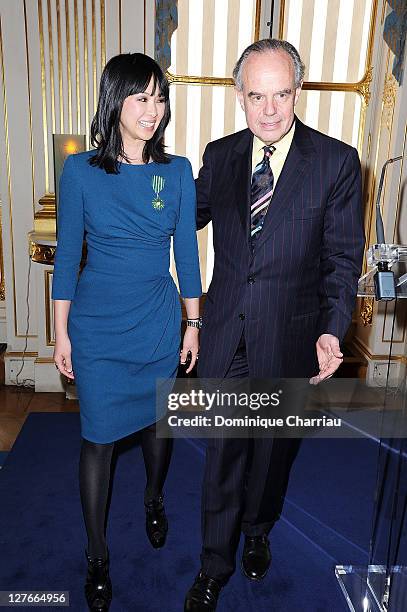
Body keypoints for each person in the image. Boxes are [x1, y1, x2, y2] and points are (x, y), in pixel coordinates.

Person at [184, 39, 365, 611]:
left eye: (280, 94)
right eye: (256, 95)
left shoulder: (336, 162)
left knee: (271, 453)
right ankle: (214, 562)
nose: (269, 110)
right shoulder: (220, 155)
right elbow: (179, 221)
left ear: (298, 92)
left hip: (291, 335)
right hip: (226, 332)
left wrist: (333, 328)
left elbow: (342, 259)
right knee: (223, 453)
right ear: (239, 96)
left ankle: (258, 529)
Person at [52, 53, 202, 612]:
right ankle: (97, 554)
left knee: (157, 428)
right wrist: (60, 334)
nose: (153, 110)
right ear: (114, 100)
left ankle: (154, 497)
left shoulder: (177, 171)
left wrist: (193, 323)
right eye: (141, 98)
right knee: (97, 440)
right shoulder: (81, 172)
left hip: (158, 325)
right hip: (97, 328)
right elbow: (67, 257)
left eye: (159, 98)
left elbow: (186, 254)